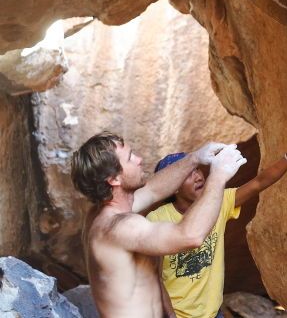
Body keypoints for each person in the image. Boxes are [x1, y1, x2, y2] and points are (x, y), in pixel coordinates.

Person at [71, 132, 246, 318]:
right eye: (130, 157)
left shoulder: (105, 210)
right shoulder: (118, 228)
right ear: (113, 179)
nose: (139, 159)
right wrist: (218, 177)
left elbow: (154, 189)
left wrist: (195, 158)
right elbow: (189, 236)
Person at [149, 128, 287, 318]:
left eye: (197, 169)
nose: (198, 176)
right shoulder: (157, 219)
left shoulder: (218, 203)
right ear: (172, 187)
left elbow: (259, 183)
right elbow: (154, 277)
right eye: (188, 174)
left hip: (214, 314)